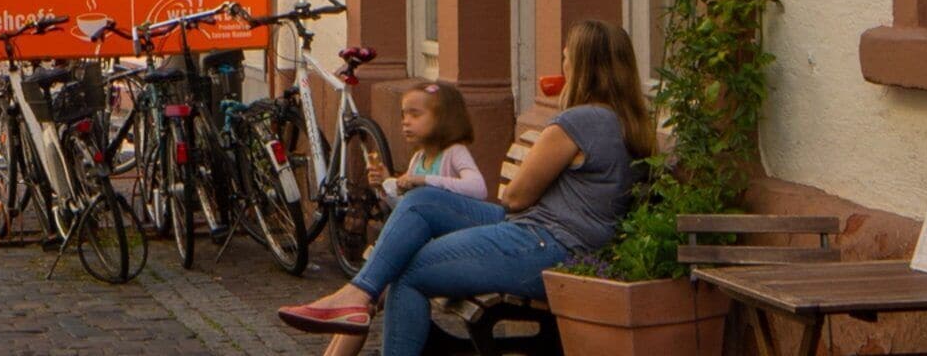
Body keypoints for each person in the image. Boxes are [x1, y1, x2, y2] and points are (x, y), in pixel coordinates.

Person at [276, 21, 656, 353]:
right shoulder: (630, 122)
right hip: (556, 238)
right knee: (422, 202)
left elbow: (515, 196)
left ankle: (357, 296)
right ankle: (358, 295)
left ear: (582, 67)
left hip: (546, 244)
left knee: (408, 270)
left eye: (567, 57)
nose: (563, 64)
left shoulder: (579, 121)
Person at [387, 81, 487, 201]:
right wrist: (385, 185)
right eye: (404, 115)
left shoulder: (455, 152)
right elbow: (409, 207)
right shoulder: (418, 158)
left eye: (415, 115)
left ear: (443, 119)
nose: (405, 122)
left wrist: (425, 180)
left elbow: (478, 188)